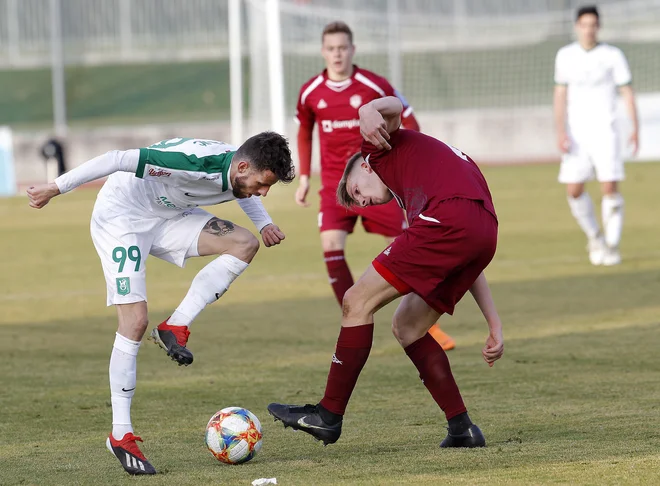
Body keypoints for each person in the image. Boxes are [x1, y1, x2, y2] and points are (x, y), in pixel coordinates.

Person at [27, 133, 294, 475]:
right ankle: (120, 434)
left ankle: (176, 325)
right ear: (242, 166)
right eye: (261, 184)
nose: (263, 192)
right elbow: (117, 157)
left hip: (170, 216)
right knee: (135, 321)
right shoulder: (190, 163)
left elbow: (245, 190)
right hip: (122, 218)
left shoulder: (241, 167)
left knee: (244, 243)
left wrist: (264, 223)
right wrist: (55, 187)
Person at [268, 97, 504, 448]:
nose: (361, 203)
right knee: (408, 326)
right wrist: (494, 324)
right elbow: (471, 254)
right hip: (483, 232)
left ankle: (328, 416)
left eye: (355, 192)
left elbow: (393, 105)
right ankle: (462, 428)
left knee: (356, 301)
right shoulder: (419, 185)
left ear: (363, 166)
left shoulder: (377, 150)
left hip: (449, 219)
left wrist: (366, 111)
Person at [295, 20, 454, 350]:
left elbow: (408, 119)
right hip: (334, 189)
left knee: (406, 251)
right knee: (331, 247)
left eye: (343, 48)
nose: (337, 54)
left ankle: (425, 324)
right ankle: (354, 321)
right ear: (323, 52)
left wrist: (413, 164)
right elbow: (303, 132)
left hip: (376, 184)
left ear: (352, 50)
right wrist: (306, 178)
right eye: (331, 49)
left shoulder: (373, 84)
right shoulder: (311, 92)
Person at [554, 5, 639, 266]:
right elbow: (560, 94)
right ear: (577, 26)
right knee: (575, 189)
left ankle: (612, 245)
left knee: (609, 186)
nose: (589, 29)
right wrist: (560, 130)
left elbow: (626, 92)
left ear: (598, 27)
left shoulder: (612, 55)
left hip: (606, 131)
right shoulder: (565, 55)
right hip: (577, 133)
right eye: (584, 24)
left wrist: (635, 127)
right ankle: (595, 236)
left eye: (593, 25)